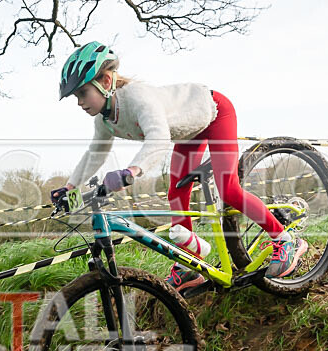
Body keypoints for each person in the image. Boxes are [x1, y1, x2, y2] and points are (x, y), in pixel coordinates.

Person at [54, 41, 308, 291]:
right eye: (76, 96)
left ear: (106, 81)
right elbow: (95, 153)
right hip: (189, 133)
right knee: (176, 193)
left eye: (83, 93)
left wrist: (131, 171)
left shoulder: (137, 97)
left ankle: (285, 240)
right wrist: (70, 187)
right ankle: (190, 265)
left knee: (228, 189)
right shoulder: (104, 120)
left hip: (215, 112)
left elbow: (159, 138)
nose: (79, 102)